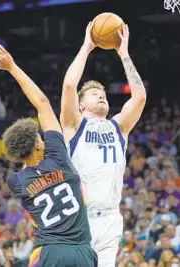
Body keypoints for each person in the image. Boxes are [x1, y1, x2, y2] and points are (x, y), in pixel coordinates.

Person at [0, 44, 97, 267]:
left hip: (50, 254)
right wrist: (13, 67)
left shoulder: (16, 181)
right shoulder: (57, 156)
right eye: (40, 137)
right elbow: (43, 104)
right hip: (82, 252)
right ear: (39, 145)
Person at [60, 22, 147, 267]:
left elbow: (139, 97)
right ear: (81, 106)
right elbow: (68, 86)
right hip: (80, 219)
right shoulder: (74, 125)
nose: (101, 95)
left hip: (110, 218)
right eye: (94, 94)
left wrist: (124, 54)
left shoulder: (118, 127)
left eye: (104, 94)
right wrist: (87, 47)